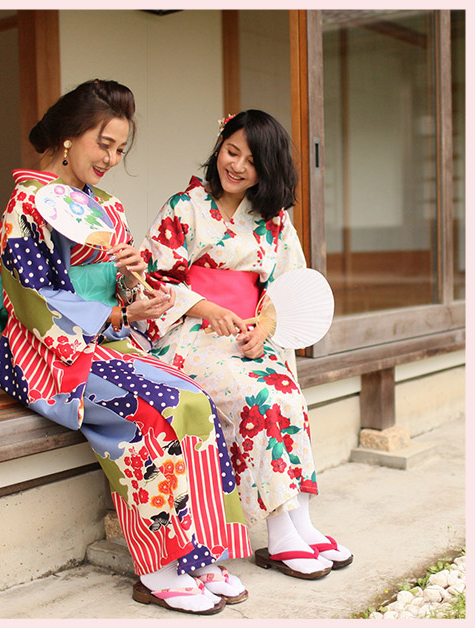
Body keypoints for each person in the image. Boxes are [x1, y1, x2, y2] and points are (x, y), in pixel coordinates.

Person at [0, 79, 251, 615]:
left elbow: (126, 292)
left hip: (109, 339)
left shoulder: (106, 206)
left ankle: (199, 553)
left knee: (194, 401)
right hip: (47, 348)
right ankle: (157, 565)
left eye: (120, 149)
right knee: (150, 412)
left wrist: (136, 285)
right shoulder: (27, 203)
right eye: (103, 144)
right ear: (69, 137)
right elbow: (34, 300)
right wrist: (118, 316)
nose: (111, 159)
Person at [142, 110, 353, 581]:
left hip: (248, 333)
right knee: (258, 397)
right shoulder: (184, 207)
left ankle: (301, 520)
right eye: (231, 151)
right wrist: (205, 307)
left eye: (251, 161)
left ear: (267, 169)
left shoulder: (274, 221)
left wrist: (265, 326)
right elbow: (153, 281)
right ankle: (280, 533)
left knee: (287, 396)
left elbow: (286, 284)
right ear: (219, 147)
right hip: (192, 333)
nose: (236, 166)